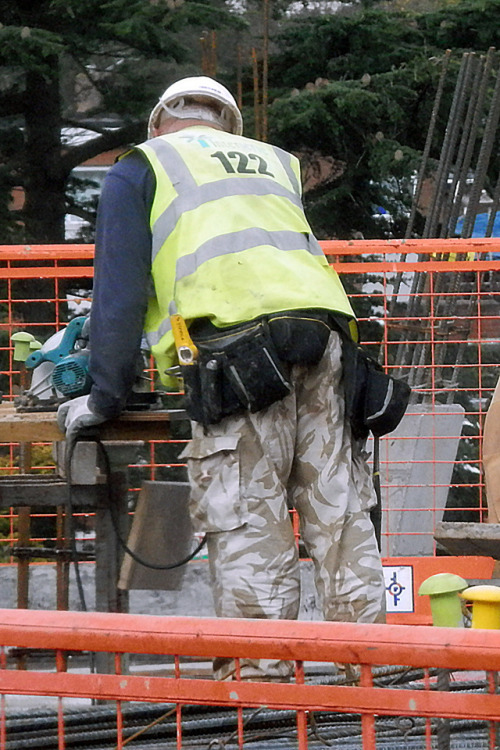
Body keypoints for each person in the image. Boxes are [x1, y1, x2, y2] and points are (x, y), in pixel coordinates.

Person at [58, 75, 386, 681]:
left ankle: (261, 678)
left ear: (158, 122)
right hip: (328, 343)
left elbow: (120, 292)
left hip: (237, 354)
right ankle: (370, 669)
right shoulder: (274, 163)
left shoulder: (145, 163)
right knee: (337, 508)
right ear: (228, 125)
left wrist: (105, 394)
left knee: (246, 511)